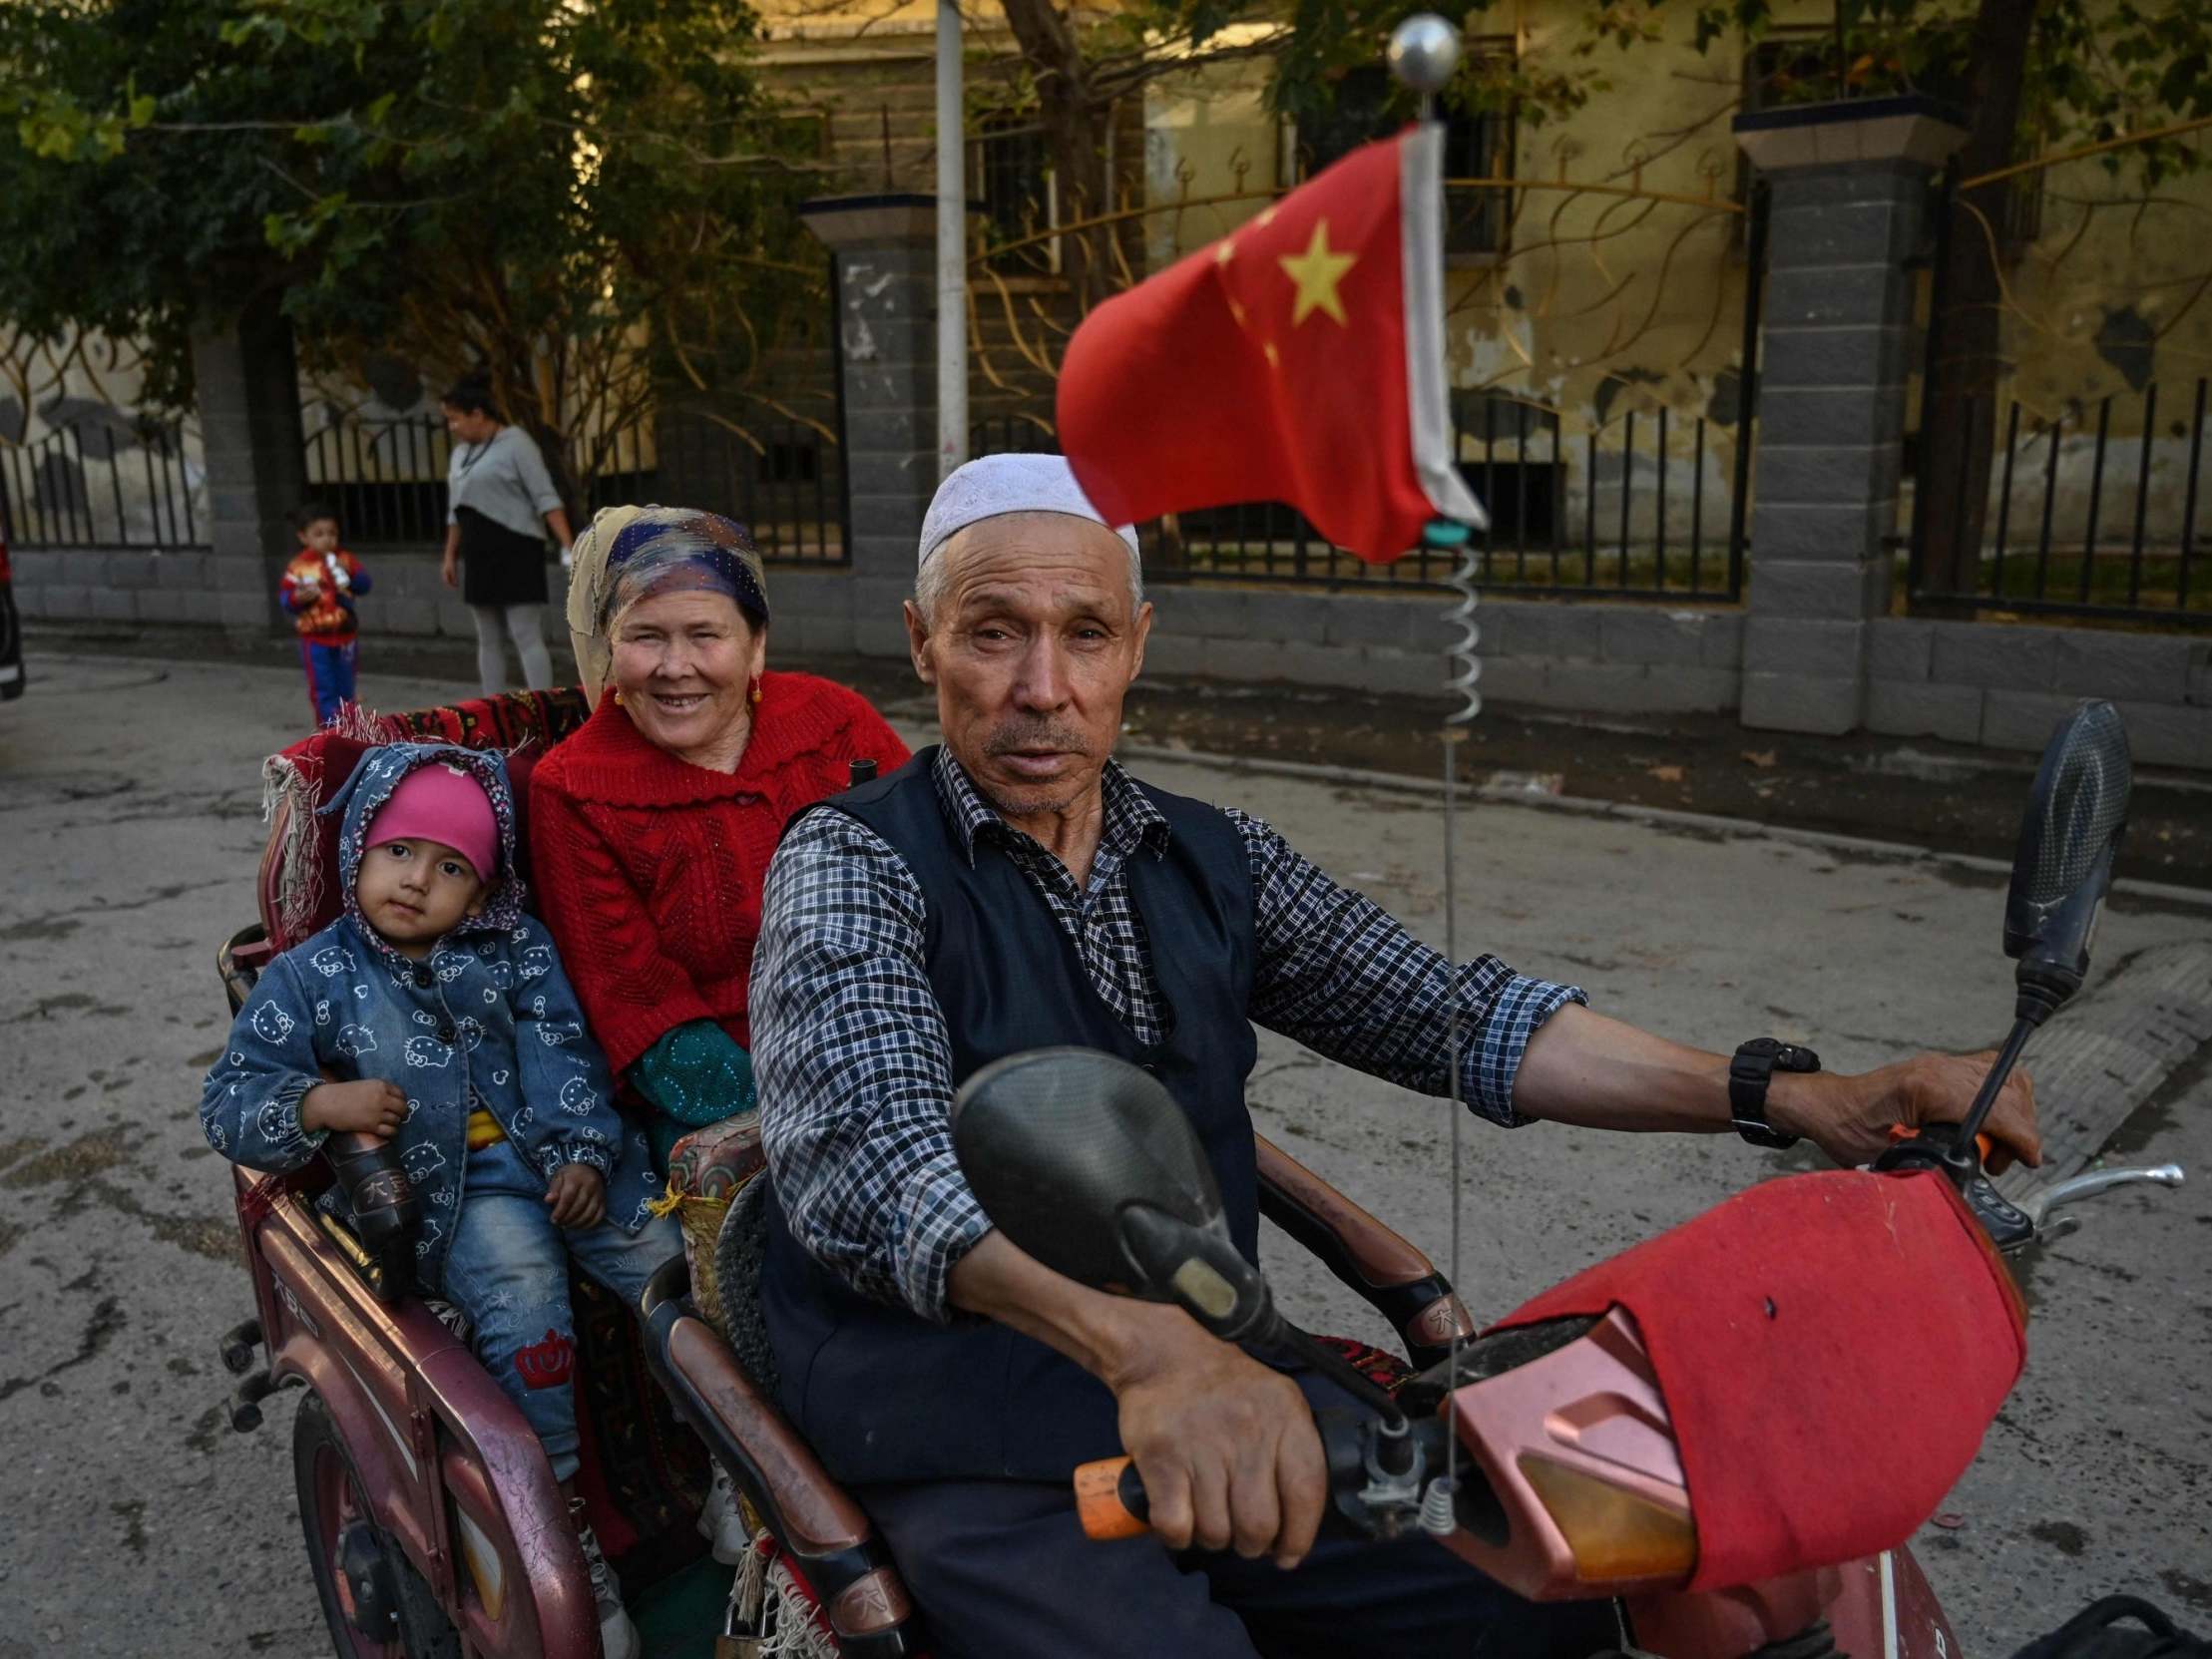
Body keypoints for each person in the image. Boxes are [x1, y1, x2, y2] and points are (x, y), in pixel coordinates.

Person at [747, 453, 2044, 1659]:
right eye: (993, 631)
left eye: (1083, 632)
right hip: (968, 1432)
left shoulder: (1209, 853)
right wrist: (1151, 1352)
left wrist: (1783, 1089)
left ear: (1136, 646)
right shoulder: (854, 859)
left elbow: (1456, 1014)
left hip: (1229, 1390)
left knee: (1576, 1583)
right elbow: (880, 1168)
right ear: (922, 645)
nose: (1042, 685)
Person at [200, 742, 673, 1659]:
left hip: (567, 1158)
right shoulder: (311, 976)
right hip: (458, 1192)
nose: (418, 880)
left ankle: (736, 1482)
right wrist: (316, 1103)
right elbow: (227, 1103)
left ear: (485, 887)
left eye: (452, 866)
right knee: (524, 1302)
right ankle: (562, 1535)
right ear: (360, 854)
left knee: (678, 1276)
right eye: (399, 852)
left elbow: (566, 1049)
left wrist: (581, 1148)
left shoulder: (515, 946)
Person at [528, 505, 909, 1559]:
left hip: (878, 1036)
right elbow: (636, 1001)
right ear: (608, 653)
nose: (675, 667)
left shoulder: (833, 724)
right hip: (713, 1088)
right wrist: (810, 1127)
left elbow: (934, 883)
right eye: (645, 637)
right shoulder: (573, 787)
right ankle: (755, 1494)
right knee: (767, 1249)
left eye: (706, 635)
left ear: (756, 647)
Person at [438, 374, 572, 695]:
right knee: (487, 635)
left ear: (477, 414)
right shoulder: (460, 454)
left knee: (524, 632)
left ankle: (542, 704)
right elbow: (455, 509)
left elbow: (545, 496)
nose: (452, 427)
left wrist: (568, 544)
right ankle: (491, 704)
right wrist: (450, 554)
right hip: (478, 550)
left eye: (455, 419)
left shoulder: (517, 444)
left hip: (516, 547)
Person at [280, 501, 372, 725]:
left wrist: (348, 574)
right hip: (315, 640)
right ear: (304, 537)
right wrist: (297, 598)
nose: (327, 539)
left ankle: (349, 727)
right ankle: (328, 729)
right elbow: (287, 600)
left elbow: (364, 585)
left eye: (332, 533)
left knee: (346, 685)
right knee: (323, 686)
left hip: (345, 636)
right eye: (319, 534)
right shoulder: (298, 567)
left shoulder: (346, 559)